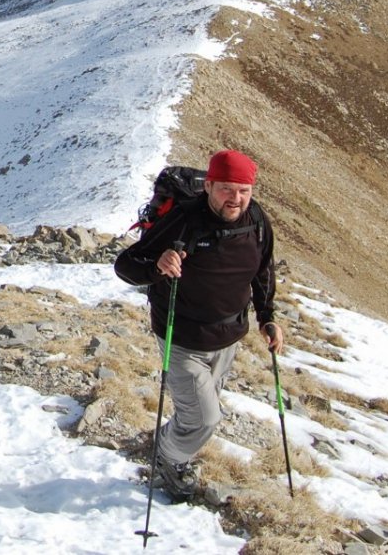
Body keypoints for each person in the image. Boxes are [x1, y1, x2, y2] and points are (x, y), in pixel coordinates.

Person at [114, 149, 284, 501]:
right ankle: (169, 458)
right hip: (182, 336)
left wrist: (267, 317)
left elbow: (263, 270)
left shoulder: (256, 220)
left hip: (228, 336)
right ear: (208, 186)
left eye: (243, 190)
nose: (235, 199)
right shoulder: (184, 220)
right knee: (206, 419)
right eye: (226, 189)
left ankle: (174, 442)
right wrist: (158, 266)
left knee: (198, 410)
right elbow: (126, 265)